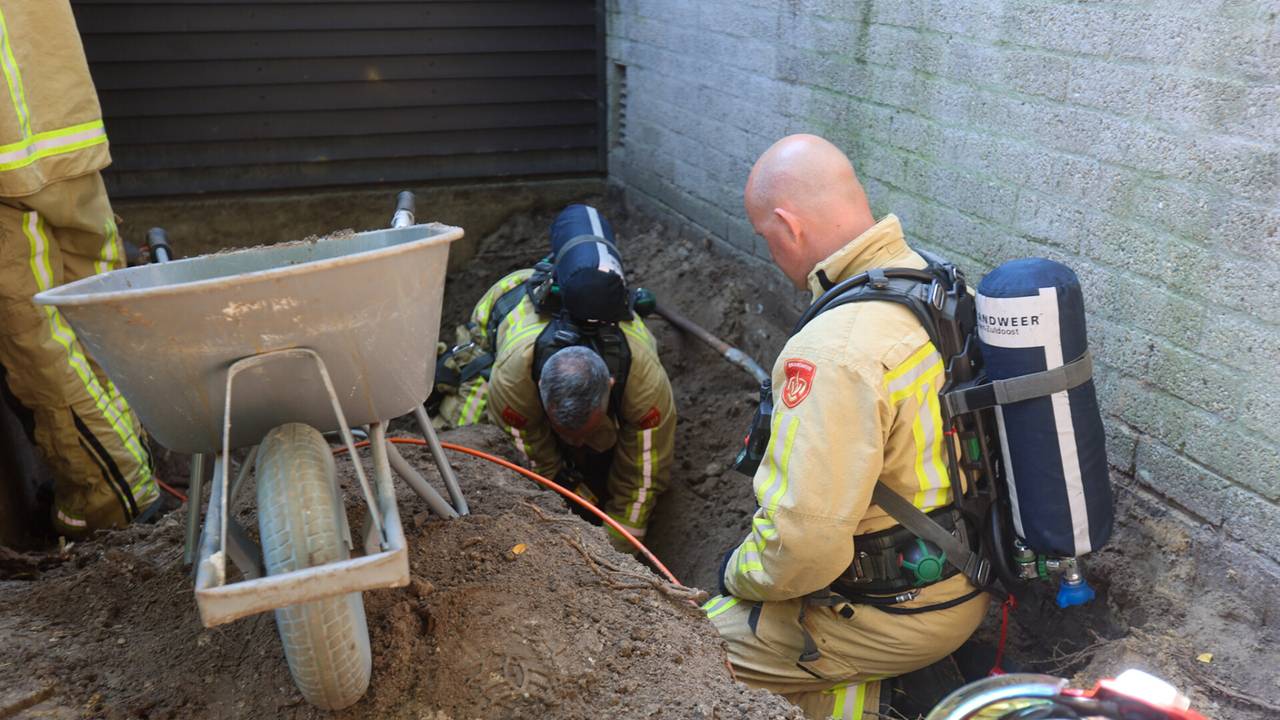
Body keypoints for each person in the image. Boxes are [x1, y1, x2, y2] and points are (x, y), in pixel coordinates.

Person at [702, 135, 989, 719]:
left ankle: (870, 683)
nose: (771, 252)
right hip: (966, 581)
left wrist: (733, 575)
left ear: (788, 226)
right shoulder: (933, 287)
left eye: (766, 238)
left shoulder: (836, 350)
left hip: (890, 615)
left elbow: (803, 546)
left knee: (681, 646)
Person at [0, 0, 159, 538]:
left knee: (43, 348)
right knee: (97, 320)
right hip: (65, 136)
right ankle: (135, 474)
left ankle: (111, 508)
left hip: (13, 166)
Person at [437, 204, 676, 551]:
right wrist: (565, 488)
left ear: (610, 387)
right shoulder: (513, 380)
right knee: (466, 433)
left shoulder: (644, 382)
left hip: (619, 376)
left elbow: (646, 471)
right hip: (503, 308)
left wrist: (619, 545)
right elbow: (527, 447)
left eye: (582, 432)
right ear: (539, 393)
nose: (576, 443)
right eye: (566, 433)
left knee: (613, 450)